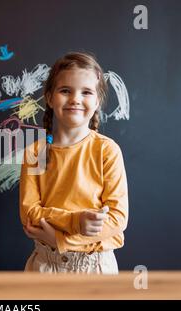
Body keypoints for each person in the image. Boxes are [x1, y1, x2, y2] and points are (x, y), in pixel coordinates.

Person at [20, 52, 128, 274]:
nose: (75, 99)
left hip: (96, 268)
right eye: (65, 90)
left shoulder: (107, 150)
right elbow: (29, 213)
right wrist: (75, 221)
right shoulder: (35, 152)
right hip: (46, 267)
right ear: (50, 98)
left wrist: (62, 239)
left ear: (97, 101)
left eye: (86, 92)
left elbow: (117, 219)